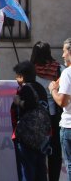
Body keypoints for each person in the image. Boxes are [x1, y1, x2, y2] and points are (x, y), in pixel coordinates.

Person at [12, 60, 49, 181]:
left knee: (26, 171)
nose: (16, 78)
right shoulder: (41, 88)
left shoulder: (25, 89)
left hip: (26, 137)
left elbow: (29, 105)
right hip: (41, 136)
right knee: (40, 170)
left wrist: (19, 102)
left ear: (22, 76)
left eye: (17, 75)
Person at [31, 41, 63, 181]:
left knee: (37, 153)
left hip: (35, 117)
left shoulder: (30, 70)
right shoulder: (59, 69)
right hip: (53, 116)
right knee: (55, 153)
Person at [47, 38, 71, 177]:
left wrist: (52, 90)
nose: (62, 55)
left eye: (64, 51)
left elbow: (62, 102)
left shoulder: (68, 73)